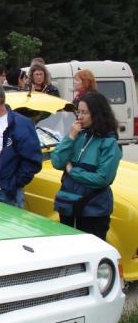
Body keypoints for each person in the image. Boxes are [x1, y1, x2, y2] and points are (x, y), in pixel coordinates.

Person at [50, 91, 121, 240]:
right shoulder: (77, 134)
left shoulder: (109, 143)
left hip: (93, 210)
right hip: (69, 205)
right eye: (78, 112)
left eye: (85, 113)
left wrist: (73, 171)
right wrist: (70, 138)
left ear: (97, 114)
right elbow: (57, 161)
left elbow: (102, 178)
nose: (79, 117)